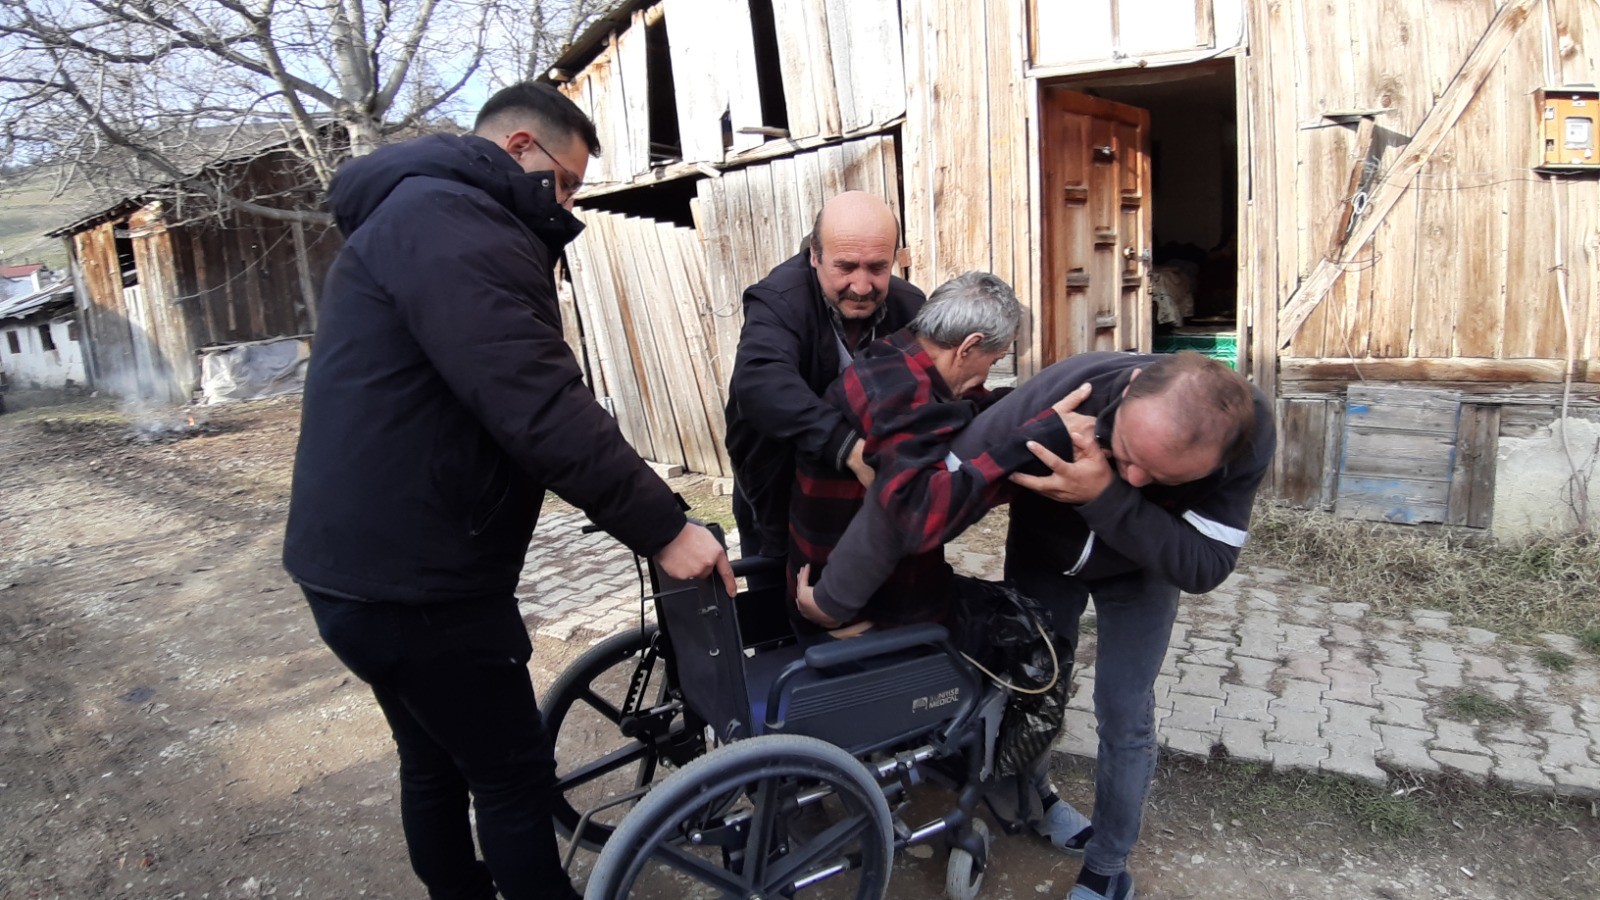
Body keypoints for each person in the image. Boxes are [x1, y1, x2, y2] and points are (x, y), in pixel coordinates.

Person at [282, 82, 734, 900]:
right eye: (565, 183)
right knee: (511, 778)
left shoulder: (417, 218)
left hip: (353, 569)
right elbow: (537, 404)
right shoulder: (455, 226)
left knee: (431, 758)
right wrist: (665, 526)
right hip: (422, 581)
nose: (568, 206)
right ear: (520, 148)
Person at [805, 350, 1275, 900]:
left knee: (1125, 713)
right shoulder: (1065, 391)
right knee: (1034, 687)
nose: (1137, 478)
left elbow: (1204, 566)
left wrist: (1105, 496)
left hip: (1146, 570)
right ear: (1128, 391)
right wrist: (835, 599)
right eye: (1124, 455)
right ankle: (1035, 799)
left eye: (1162, 479)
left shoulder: (1249, 433)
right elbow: (914, 498)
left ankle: (1107, 864)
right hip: (1046, 553)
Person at [723, 191, 925, 559]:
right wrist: (847, 447)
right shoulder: (778, 299)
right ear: (815, 255)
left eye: (878, 268)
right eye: (845, 267)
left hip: (866, 500)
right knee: (778, 598)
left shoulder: (910, 307)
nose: (862, 287)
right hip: (777, 490)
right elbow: (760, 383)